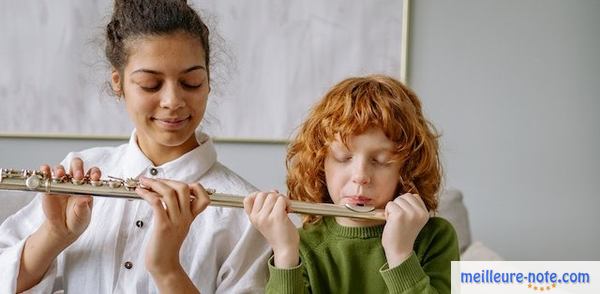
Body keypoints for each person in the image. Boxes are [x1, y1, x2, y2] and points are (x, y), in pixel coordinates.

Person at [0, 0, 270, 293]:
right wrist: (53, 234)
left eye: (191, 82)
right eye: (150, 84)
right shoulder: (78, 172)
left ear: (208, 81)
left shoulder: (247, 211)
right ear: (118, 83)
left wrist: (167, 269)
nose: (172, 101)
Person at [243, 75, 460, 293]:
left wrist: (401, 255)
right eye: (343, 158)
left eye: (381, 161)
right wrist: (284, 253)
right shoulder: (302, 246)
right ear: (320, 163)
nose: (360, 175)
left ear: (406, 169)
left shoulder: (436, 238)